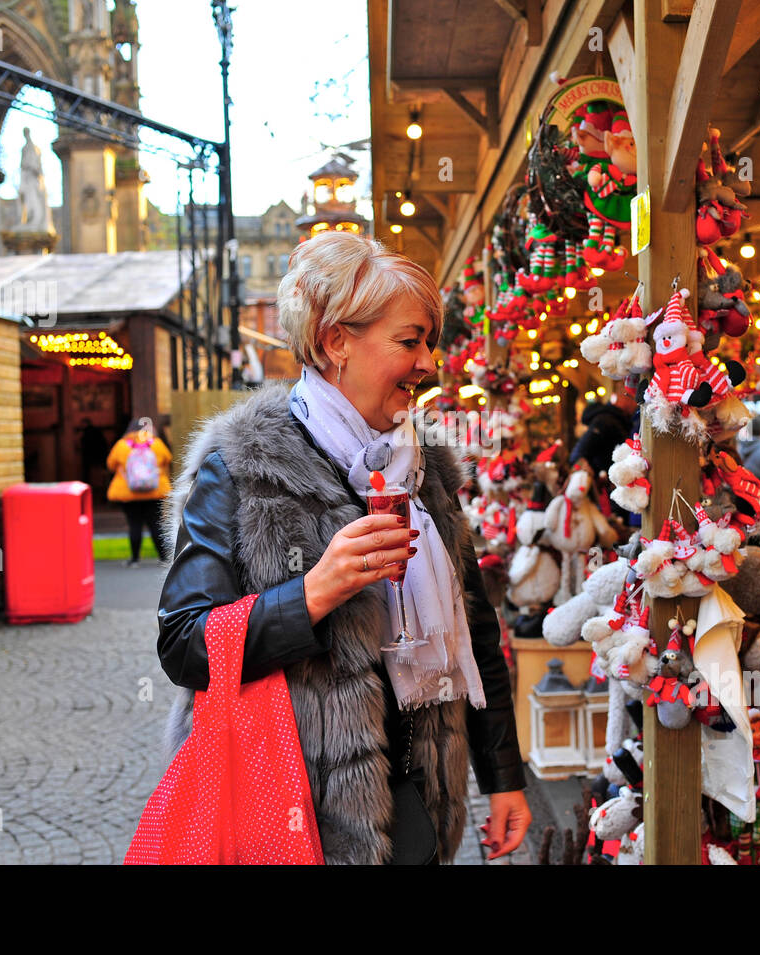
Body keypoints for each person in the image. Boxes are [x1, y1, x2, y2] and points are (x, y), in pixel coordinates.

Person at [155, 231, 529, 865]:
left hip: (419, 804)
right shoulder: (242, 463)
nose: (429, 363)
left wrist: (504, 776)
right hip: (293, 814)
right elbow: (185, 644)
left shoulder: (426, 466)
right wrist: (313, 593)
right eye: (409, 341)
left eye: (430, 343)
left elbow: (477, 627)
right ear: (334, 342)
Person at [106, 419, 173, 566]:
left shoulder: (122, 445)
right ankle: (163, 558)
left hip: (128, 493)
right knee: (155, 524)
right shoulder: (156, 444)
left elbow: (110, 464)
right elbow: (168, 459)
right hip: (154, 491)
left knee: (134, 524)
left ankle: (135, 559)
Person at [569, 387, 636, 476]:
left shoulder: (620, 420)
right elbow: (580, 451)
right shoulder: (605, 420)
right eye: (632, 398)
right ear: (623, 398)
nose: (635, 403)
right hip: (605, 481)